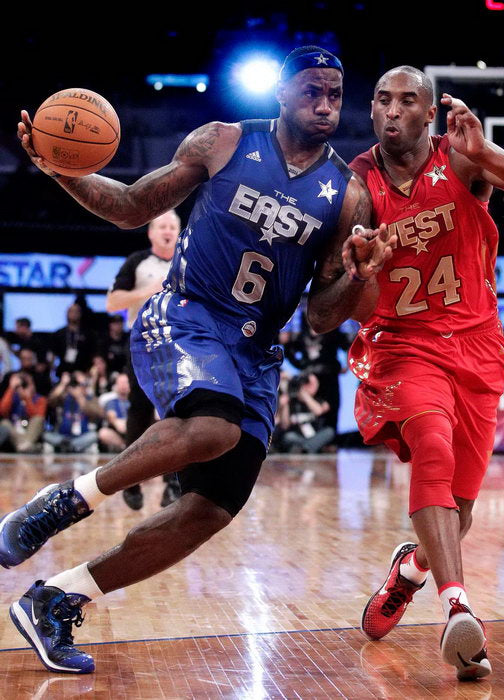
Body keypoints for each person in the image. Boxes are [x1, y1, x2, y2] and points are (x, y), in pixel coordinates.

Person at [2, 45, 394, 675]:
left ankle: (57, 598)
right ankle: (63, 502)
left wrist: (361, 276)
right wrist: (62, 172)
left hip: (257, 353)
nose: (325, 105)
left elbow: (324, 316)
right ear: (282, 93)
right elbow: (132, 206)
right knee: (214, 429)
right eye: (311, 92)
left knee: (209, 510)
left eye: (334, 95)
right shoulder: (224, 141)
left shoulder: (347, 194)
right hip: (188, 314)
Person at [308, 65, 504, 680]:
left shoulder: (461, 156)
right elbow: (326, 315)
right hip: (403, 344)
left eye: (407, 101)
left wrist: (489, 154)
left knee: (461, 508)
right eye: (382, 100)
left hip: (477, 344)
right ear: (372, 110)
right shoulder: (353, 187)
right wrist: (361, 274)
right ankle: (458, 607)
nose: (393, 110)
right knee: (431, 444)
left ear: (429, 114)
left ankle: (410, 571)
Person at [106, 210, 181, 509]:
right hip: (143, 344)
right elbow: (112, 302)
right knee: (140, 411)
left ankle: (173, 483)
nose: (167, 231)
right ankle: (131, 481)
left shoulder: (188, 260)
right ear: (151, 232)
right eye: (162, 226)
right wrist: (149, 290)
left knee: (177, 413)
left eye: (172, 226)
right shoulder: (137, 262)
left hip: (179, 343)